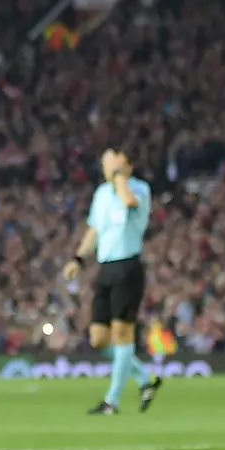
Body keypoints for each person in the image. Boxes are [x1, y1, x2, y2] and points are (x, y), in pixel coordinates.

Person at [63, 149, 163, 415]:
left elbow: (129, 202)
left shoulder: (139, 189)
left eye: (111, 163)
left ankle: (112, 401)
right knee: (98, 338)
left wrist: (120, 178)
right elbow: (94, 229)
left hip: (128, 265)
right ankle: (145, 379)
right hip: (105, 267)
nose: (105, 168)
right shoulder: (101, 194)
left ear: (126, 166)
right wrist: (78, 258)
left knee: (122, 334)